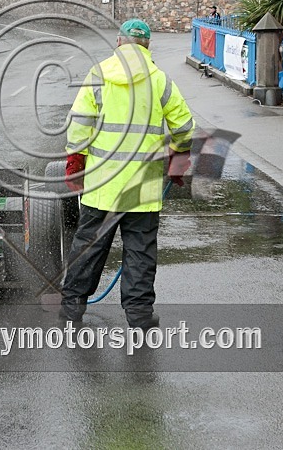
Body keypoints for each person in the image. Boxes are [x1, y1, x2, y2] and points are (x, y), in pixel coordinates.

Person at [59, 19, 195, 330]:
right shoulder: (159, 80)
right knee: (140, 253)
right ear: (147, 46)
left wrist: (75, 161)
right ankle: (139, 316)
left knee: (89, 248)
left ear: (119, 43)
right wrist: (178, 159)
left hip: (101, 186)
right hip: (142, 189)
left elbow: (80, 121)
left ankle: (70, 311)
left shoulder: (99, 75)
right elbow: (185, 128)